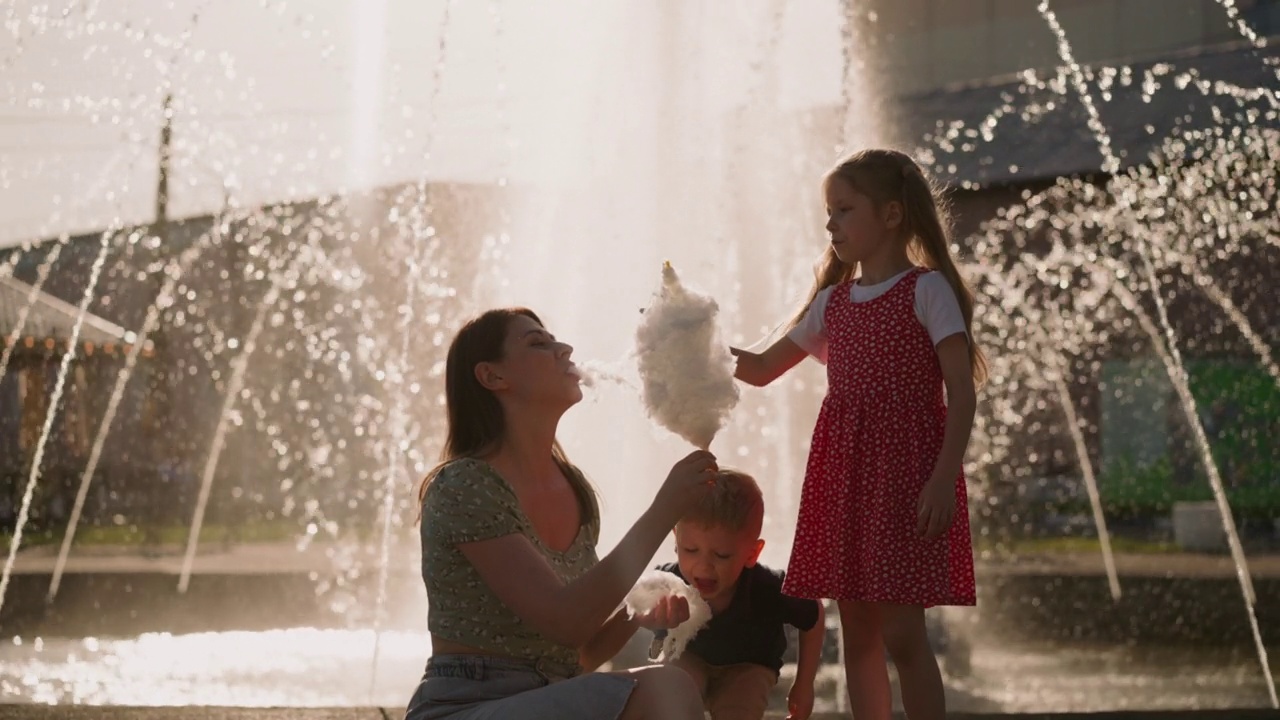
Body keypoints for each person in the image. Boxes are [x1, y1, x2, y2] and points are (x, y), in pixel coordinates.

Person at [730, 148, 987, 720]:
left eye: (844, 210)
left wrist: (943, 478)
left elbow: (961, 393)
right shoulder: (833, 302)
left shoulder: (927, 291)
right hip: (843, 476)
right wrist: (687, 342)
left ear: (892, 215)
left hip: (904, 477)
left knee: (901, 633)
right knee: (859, 630)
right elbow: (759, 369)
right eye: (829, 211)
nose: (830, 223)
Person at [405, 307, 718, 720]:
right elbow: (564, 621)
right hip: (466, 706)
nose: (564, 349)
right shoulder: (464, 485)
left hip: (546, 698)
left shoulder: (574, 488)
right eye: (538, 343)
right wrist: (664, 511)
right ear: (492, 377)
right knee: (667, 689)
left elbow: (579, 654)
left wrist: (633, 616)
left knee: (672, 682)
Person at [652, 468, 825, 720]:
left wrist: (804, 684)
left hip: (748, 666)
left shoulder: (768, 588)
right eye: (690, 550)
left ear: (752, 553)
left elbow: (814, 615)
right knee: (671, 694)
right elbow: (632, 609)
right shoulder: (668, 581)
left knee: (738, 710)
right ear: (676, 539)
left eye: (721, 555)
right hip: (688, 656)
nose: (704, 566)